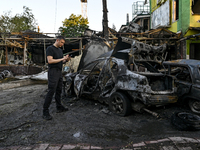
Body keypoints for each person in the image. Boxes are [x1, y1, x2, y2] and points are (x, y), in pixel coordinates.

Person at [43, 36, 71, 120]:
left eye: (63, 43)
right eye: (61, 42)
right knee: (51, 91)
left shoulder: (60, 50)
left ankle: (59, 107)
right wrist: (62, 58)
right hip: (53, 72)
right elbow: (50, 61)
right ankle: (45, 111)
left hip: (59, 72)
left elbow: (61, 61)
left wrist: (66, 60)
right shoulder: (50, 48)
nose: (62, 44)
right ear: (57, 40)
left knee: (59, 89)